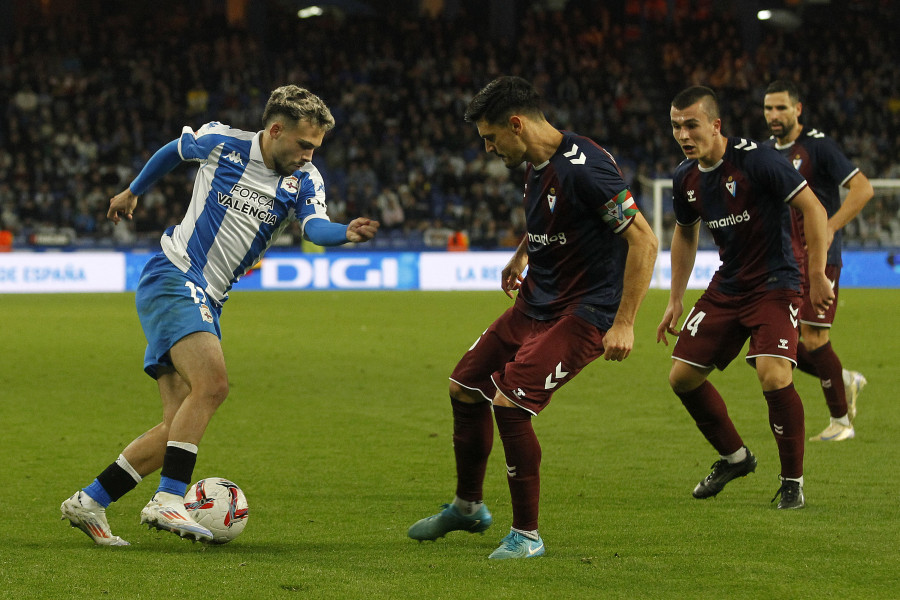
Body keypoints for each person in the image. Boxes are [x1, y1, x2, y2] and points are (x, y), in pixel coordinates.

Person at [60, 85, 379, 545]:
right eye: (304, 144)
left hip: (207, 297)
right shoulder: (224, 143)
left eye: (316, 147)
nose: (310, 155)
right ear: (274, 130)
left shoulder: (305, 180)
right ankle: (168, 500)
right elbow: (175, 150)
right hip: (175, 276)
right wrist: (133, 191)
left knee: (177, 425)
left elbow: (314, 226)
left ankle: (90, 501)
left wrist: (343, 233)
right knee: (213, 385)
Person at [407, 76, 658, 559]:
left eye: (490, 136)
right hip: (535, 301)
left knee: (509, 403)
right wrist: (522, 254)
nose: (486, 147)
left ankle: (527, 535)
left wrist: (624, 322)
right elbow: (555, 216)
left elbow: (644, 240)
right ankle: (467, 507)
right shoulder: (537, 162)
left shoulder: (587, 169)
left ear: (516, 124)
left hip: (584, 311)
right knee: (465, 387)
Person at [657, 86, 834, 510]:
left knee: (773, 375)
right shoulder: (686, 177)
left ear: (715, 125)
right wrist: (675, 297)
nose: (683, 134)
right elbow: (684, 231)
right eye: (676, 126)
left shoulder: (758, 160)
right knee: (681, 377)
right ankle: (735, 457)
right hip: (729, 284)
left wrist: (816, 275)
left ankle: (792, 482)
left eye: (691, 125)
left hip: (777, 283)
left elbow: (814, 209)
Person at [763, 80, 873, 442]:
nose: (774, 115)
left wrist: (830, 227)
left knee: (813, 337)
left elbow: (863, 188)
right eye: (768, 108)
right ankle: (843, 379)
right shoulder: (763, 152)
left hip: (817, 258)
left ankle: (842, 422)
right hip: (780, 261)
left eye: (781, 108)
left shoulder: (819, 147)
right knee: (777, 339)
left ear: (798, 109)